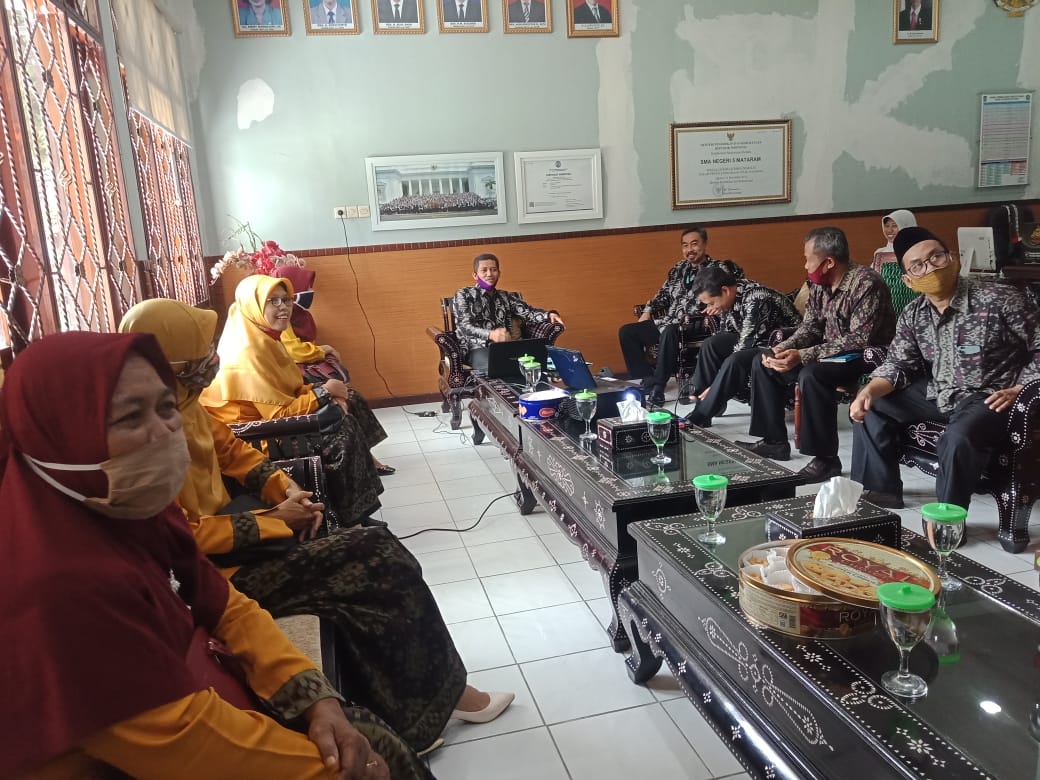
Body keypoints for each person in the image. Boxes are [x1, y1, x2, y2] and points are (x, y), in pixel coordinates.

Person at [0, 330, 430, 779]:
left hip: (189, 682)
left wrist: (315, 698)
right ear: (57, 432)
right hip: (138, 756)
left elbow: (222, 600)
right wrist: (340, 771)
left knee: (361, 723)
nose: (165, 430)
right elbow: (189, 746)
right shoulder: (55, 586)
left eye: (165, 406)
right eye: (130, 417)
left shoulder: (129, 502)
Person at [119, 299, 514, 756]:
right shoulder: (139, 438)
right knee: (379, 559)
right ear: (170, 360)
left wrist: (286, 490)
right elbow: (175, 538)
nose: (213, 359)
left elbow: (233, 451)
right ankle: (442, 700)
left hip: (240, 539)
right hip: (214, 574)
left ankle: (413, 704)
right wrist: (273, 522)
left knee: (372, 562)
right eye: (201, 351)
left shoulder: (182, 405)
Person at [850, 226, 1040, 511]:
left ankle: (948, 517)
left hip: (990, 397)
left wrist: (1021, 389)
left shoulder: (999, 299)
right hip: (939, 392)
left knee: (958, 437)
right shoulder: (913, 314)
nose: (930, 268)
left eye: (936, 257)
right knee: (872, 405)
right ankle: (881, 490)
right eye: (918, 266)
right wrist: (869, 390)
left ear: (952, 257)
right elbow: (899, 363)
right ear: (908, 280)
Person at [200, 275, 384, 528]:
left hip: (269, 423)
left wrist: (327, 393)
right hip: (254, 436)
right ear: (253, 305)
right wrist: (324, 393)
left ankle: (357, 511)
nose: (283, 307)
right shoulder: (247, 352)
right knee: (341, 437)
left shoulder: (264, 338)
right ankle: (351, 517)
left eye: (286, 300)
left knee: (346, 407)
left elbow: (290, 388)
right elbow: (277, 415)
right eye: (273, 301)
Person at [737, 227, 896, 483]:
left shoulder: (866, 283)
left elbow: (859, 339)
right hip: (829, 353)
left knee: (813, 375)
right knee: (764, 362)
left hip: (866, 357)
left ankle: (826, 460)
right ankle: (774, 442)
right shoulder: (819, 284)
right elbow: (810, 327)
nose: (805, 265)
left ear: (828, 262)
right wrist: (782, 348)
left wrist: (803, 355)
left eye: (808, 259)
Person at [272, 265, 395, 476]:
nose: (309, 292)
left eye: (286, 299)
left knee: (351, 397)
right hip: (292, 394)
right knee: (343, 400)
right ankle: (367, 460)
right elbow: (295, 352)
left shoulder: (298, 316)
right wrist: (324, 351)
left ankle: (366, 457)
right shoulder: (274, 326)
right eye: (305, 288)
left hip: (299, 384)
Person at [618, 226, 743, 406]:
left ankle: (658, 387)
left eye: (694, 244)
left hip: (698, 323)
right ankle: (644, 381)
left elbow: (731, 291)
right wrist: (647, 310)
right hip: (669, 320)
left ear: (705, 244)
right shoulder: (678, 268)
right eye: (685, 245)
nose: (689, 249)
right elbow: (662, 295)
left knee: (670, 331)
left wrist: (717, 308)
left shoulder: (718, 268)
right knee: (627, 332)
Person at [683, 265, 801, 429]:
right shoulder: (732, 294)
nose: (711, 307)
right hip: (757, 340)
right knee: (711, 344)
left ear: (725, 290)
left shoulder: (756, 298)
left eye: (711, 302)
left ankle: (701, 415)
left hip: (778, 345)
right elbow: (726, 333)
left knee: (735, 360)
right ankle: (703, 403)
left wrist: (715, 385)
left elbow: (745, 345)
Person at [453, 252, 565, 369]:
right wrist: (490, 334)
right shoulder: (464, 295)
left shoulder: (506, 296)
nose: (489, 274)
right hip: (476, 348)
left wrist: (549, 314)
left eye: (493, 270)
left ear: (499, 273)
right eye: (484, 270)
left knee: (536, 363)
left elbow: (528, 312)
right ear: (475, 275)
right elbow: (464, 326)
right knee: (496, 367)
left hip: (506, 346)